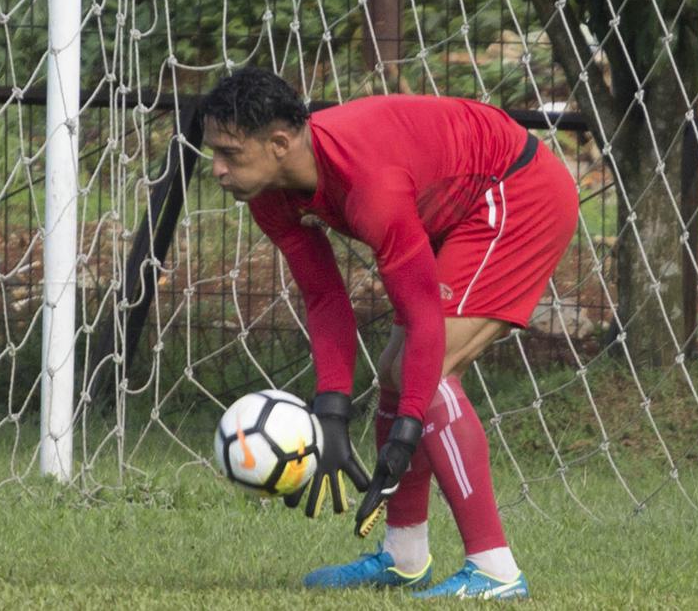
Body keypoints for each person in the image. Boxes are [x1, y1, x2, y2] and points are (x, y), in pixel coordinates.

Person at [198, 68, 578, 600]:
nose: (216, 168)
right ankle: (403, 557)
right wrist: (332, 413)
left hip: (516, 191)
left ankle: (495, 569)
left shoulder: (369, 182)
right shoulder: (269, 193)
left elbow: (423, 316)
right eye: (213, 151)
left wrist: (405, 435)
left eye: (229, 154)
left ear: (280, 143)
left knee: (427, 368)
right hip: (456, 204)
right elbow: (326, 299)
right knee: (397, 376)